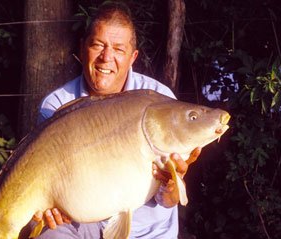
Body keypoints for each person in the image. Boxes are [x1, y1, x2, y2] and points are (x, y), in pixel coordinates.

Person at [21, 2, 201, 239]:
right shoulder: (56, 104)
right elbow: (42, 183)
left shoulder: (160, 100)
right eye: (98, 45)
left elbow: (169, 201)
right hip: (78, 223)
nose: (106, 57)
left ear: (132, 57)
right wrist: (48, 210)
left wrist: (171, 186)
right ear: (83, 48)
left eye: (118, 49)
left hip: (147, 232)